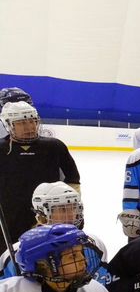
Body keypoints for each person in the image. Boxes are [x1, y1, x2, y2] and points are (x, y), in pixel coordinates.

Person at [0, 102, 80, 252]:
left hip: (48, 217)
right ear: (9, 124)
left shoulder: (55, 147)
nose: (29, 127)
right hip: (8, 220)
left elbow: (72, 180)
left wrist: (69, 211)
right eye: (22, 123)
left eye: (32, 121)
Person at [0, 182, 109, 286]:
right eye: (63, 209)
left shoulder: (94, 244)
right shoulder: (17, 253)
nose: (71, 215)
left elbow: (100, 287)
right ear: (42, 214)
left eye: (74, 208)